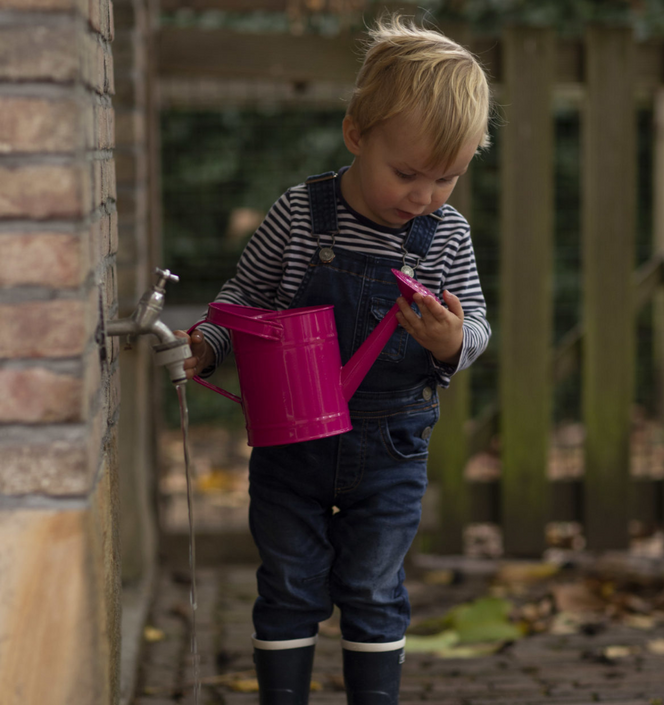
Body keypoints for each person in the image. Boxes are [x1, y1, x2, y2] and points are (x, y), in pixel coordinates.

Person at [179, 15, 492, 705]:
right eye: (406, 172)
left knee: (374, 588)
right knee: (288, 583)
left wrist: (447, 339)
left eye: (447, 178)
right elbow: (241, 297)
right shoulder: (300, 213)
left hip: (391, 447)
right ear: (356, 134)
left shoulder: (448, 236)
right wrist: (209, 343)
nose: (424, 195)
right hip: (291, 443)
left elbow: (476, 331)